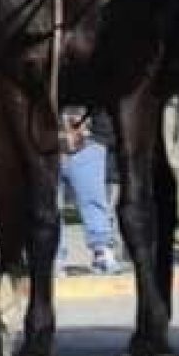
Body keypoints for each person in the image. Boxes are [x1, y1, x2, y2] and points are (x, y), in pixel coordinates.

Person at [59, 108, 120, 275]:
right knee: (49, 206)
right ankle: (53, 256)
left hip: (88, 139)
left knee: (94, 201)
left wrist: (99, 138)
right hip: (47, 139)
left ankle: (102, 252)